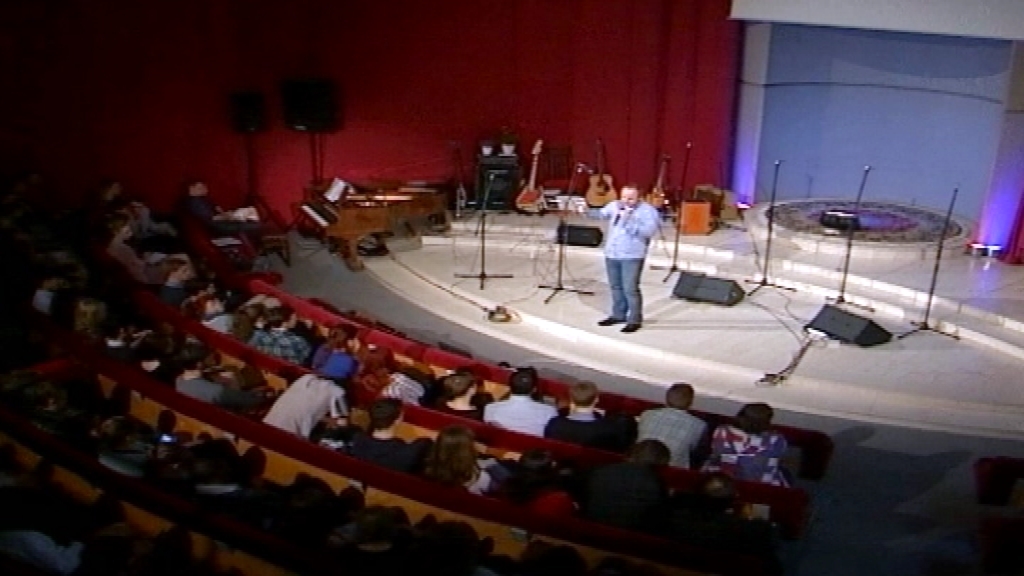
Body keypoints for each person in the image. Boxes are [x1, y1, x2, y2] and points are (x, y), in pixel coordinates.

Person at [591, 185, 660, 333]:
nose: (626, 201)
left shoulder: (648, 211)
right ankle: (618, 315)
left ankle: (634, 320)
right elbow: (601, 214)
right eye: (623, 197)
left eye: (630, 198)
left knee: (630, 288)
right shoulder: (615, 205)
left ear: (639, 197)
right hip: (612, 253)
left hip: (632, 255)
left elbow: (648, 232)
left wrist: (628, 221)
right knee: (615, 286)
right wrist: (583, 210)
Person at [637, 382, 708, 469]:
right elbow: (694, 450)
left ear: (666, 399)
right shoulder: (699, 425)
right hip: (673, 470)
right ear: (690, 402)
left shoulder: (647, 414)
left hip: (639, 463)